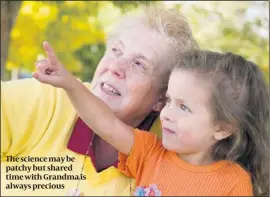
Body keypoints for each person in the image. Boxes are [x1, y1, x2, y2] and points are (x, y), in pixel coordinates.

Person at [1, 4, 198, 196]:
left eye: (139, 64)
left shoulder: (168, 159)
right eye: (115, 51)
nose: (115, 67)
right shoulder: (47, 99)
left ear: (161, 100)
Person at [33, 46, 269, 196]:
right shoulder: (150, 153)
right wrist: (69, 83)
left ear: (222, 128)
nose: (166, 113)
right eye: (168, 100)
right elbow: (106, 124)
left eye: (184, 107)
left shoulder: (233, 183)